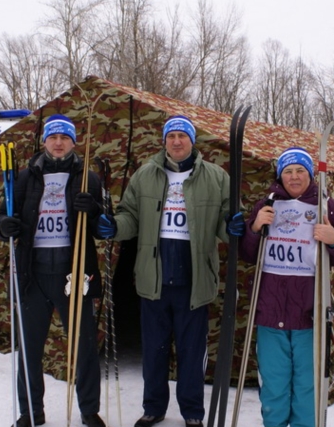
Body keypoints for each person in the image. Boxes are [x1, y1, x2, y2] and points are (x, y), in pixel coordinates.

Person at [96, 115, 244, 427]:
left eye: (182, 135)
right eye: (171, 135)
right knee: (154, 349)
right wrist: (114, 228)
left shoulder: (216, 177)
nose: (176, 141)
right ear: (164, 141)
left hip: (195, 277)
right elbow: (129, 216)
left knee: (192, 351)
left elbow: (224, 220)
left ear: (193, 141)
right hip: (154, 276)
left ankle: (192, 413)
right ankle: (154, 408)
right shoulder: (145, 175)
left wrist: (231, 226)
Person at [0, 114, 106, 427]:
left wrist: (95, 211)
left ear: (74, 142)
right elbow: (1, 219)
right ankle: (31, 411)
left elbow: (100, 228)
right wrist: (5, 226)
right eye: (53, 137)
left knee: (84, 346)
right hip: (33, 273)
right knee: (29, 348)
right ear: (45, 141)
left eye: (65, 138)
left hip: (74, 274)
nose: (59, 143)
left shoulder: (88, 178)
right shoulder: (26, 176)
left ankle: (88, 410)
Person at [239, 147, 334, 427]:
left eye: (300, 171)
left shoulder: (326, 206)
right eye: (288, 171)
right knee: (275, 386)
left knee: (307, 386)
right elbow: (246, 253)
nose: (294, 177)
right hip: (270, 311)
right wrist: (254, 228)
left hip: (309, 313)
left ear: (310, 174)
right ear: (280, 176)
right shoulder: (267, 203)